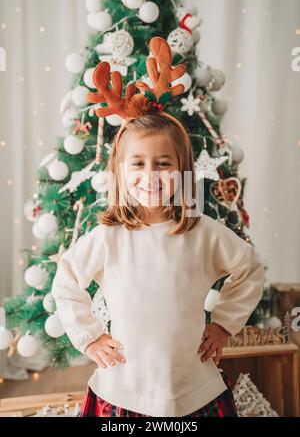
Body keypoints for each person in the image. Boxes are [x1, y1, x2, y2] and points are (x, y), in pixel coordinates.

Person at [51, 37, 265, 418]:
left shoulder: (203, 233)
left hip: (191, 386)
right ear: (119, 171)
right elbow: (66, 281)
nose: (150, 176)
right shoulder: (108, 238)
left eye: (163, 164)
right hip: (125, 386)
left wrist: (223, 325)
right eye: (138, 164)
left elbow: (249, 269)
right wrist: (91, 337)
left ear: (182, 171)